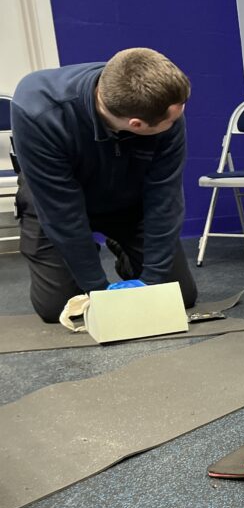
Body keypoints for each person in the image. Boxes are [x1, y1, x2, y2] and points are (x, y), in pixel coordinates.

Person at [11, 48, 195, 323]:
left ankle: (123, 249)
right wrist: (97, 290)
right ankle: (86, 255)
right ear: (136, 124)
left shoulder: (165, 104)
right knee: (59, 310)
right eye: (171, 121)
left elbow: (164, 196)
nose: (178, 121)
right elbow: (62, 212)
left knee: (178, 295)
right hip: (53, 201)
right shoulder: (38, 108)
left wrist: (154, 278)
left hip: (128, 200)